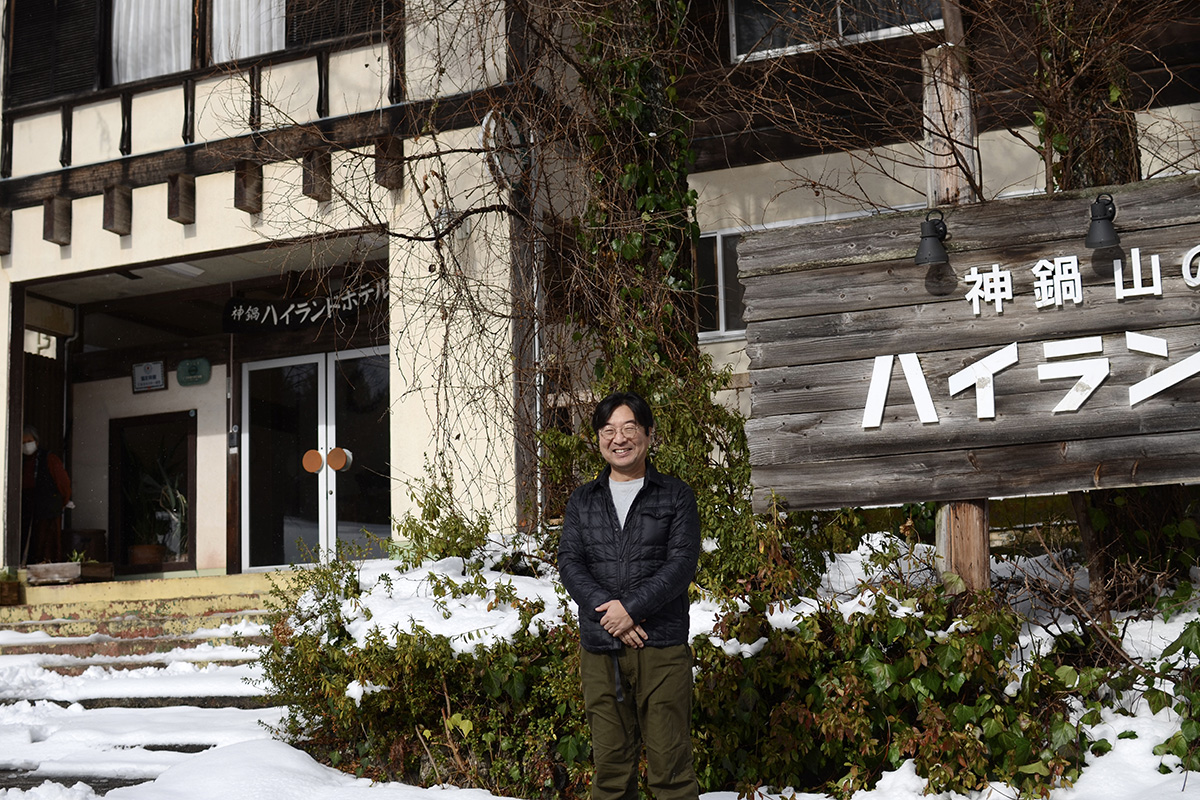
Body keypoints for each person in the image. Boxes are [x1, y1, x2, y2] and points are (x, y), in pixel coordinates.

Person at [557, 391, 701, 800]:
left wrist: (632, 609)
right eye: (608, 430)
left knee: (671, 771)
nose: (618, 438)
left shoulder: (675, 495)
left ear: (649, 435)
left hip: (662, 647)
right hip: (602, 650)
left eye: (629, 428)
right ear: (598, 439)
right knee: (611, 773)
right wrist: (612, 616)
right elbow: (570, 563)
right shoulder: (582, 500)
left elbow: (680, 565)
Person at [21, 425, 72, 565]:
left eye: (29, 441)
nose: (26, 445)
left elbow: (63, 483)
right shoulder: (20, 461)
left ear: (36, 442)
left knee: (48, 543)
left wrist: (63, 501)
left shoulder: (49, 458)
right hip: (28, 507)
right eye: (23, 442)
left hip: (48, 508)